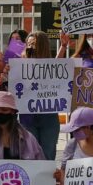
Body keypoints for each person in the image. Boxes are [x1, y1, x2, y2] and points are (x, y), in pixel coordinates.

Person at [17, 31, 61, 161]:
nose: (30, 47)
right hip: (28, 117)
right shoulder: (19, 66)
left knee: (47, 153)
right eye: (28, 44)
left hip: (49, 116)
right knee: (29, 154)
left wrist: (63, 47)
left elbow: (57, 69)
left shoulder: (51, 66)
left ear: (42, 46)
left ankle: (47, 181)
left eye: (34, 44)